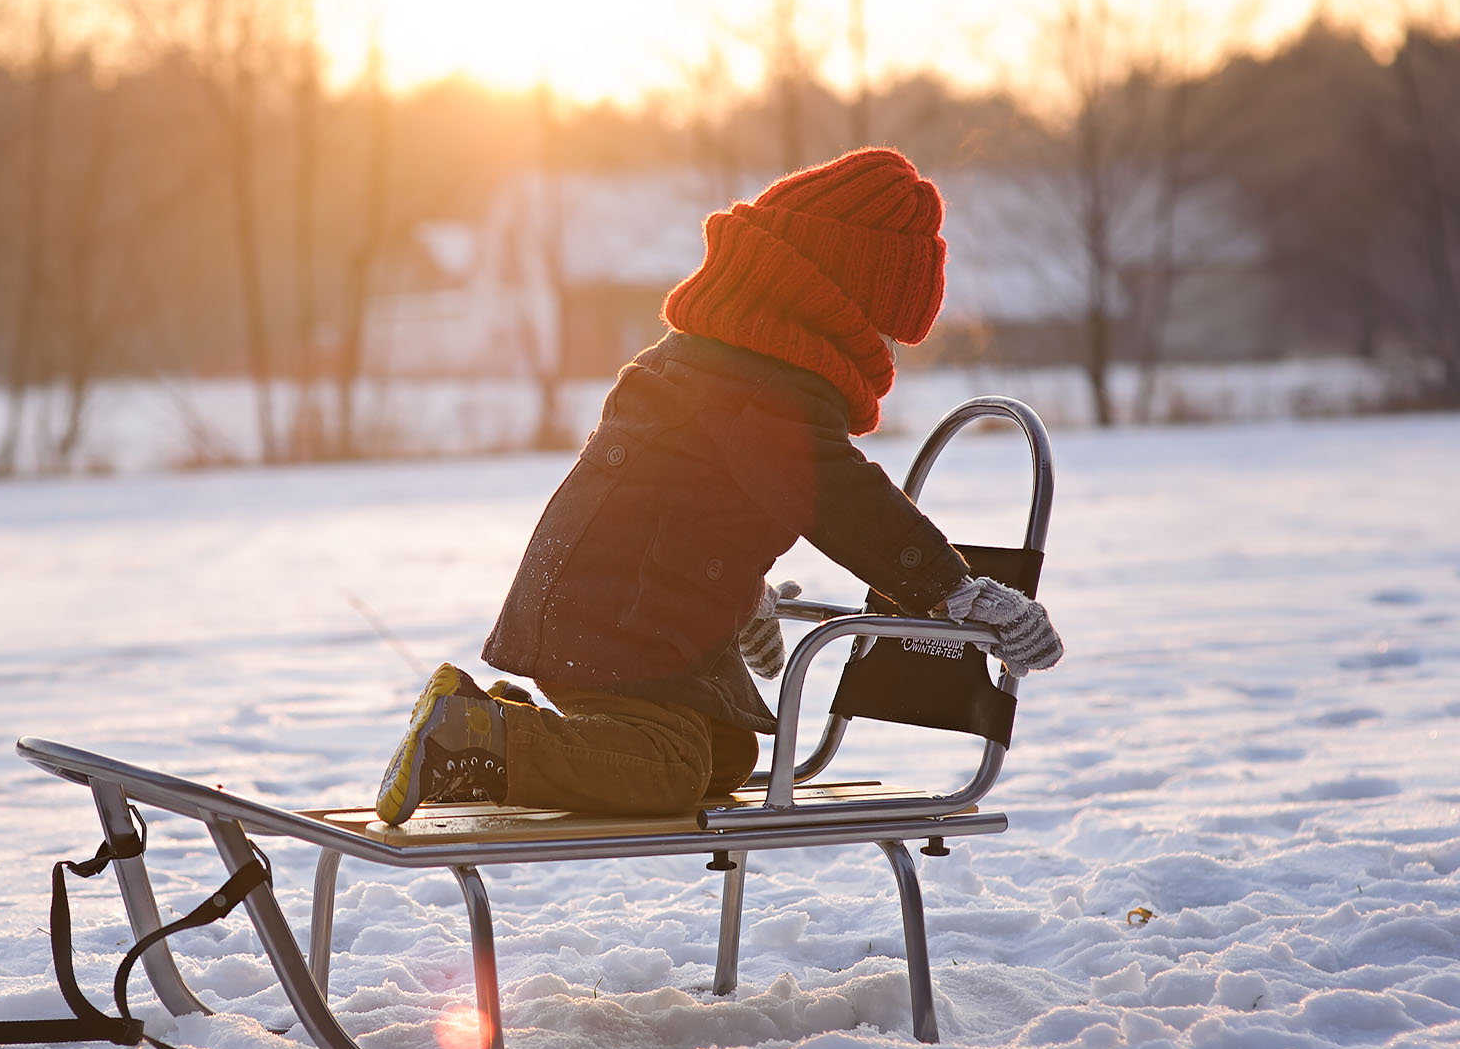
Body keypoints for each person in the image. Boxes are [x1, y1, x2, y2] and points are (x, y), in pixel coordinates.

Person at [375, 147, 1063, 824]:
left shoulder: (727, 358)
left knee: (724, 753)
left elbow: (680, 500)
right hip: (613, 614)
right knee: (669, 768)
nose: (886, 352)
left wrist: (738, 601)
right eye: (884, 328)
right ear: (840, 297)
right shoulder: (764, 383)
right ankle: (473, 739)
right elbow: (836, 494)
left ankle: (480, 725)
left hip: (617, 599)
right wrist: (955, 590)